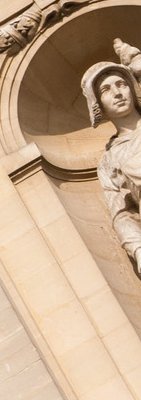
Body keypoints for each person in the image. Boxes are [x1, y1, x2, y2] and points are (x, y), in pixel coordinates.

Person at [83, 45, 141, 273]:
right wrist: (137, 248)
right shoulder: (109, 161)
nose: (117, 93)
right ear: (97, 104)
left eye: (122, 84)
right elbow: (122, 214)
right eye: (106, 90)